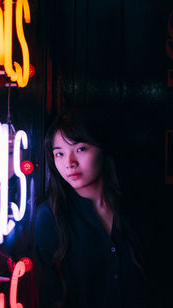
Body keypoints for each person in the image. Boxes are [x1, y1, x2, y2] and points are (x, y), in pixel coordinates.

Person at [34, 105, 156, 308]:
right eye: (59, 154)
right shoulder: (50, 216)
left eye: (80, 149)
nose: (69, 163)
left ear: (102, 148)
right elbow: (47, 295)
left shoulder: (135, 208)